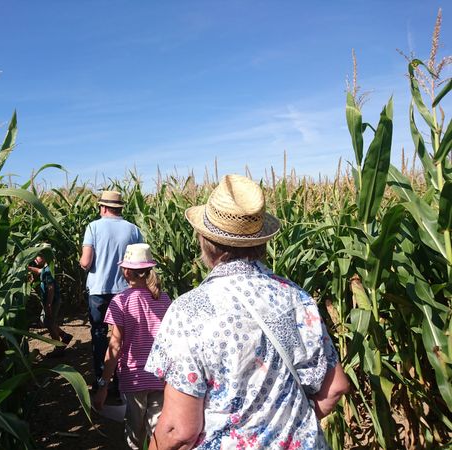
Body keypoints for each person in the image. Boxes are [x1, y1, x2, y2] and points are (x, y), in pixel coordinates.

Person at [145, 174, 350, 450]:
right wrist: (288, 431)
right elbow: (335, 387)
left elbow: (178, 430)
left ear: (205, 241)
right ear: (261, 241)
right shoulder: (297, 298)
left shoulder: (188, 311)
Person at [94, 243, 172, 450]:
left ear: (126, 271)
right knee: (158, 431)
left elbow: (115, 345)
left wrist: (103, 386)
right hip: (160, 375)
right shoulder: (164, 299)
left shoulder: (120, 302)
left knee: (135, 435)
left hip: (133, 377)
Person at [80, 190, 144, 388]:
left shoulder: (93, 227)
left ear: (104, 207)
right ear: (119, 208)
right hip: (125, 291)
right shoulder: (133, 230)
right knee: (122, 335)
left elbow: (86, 262)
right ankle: (122, 381)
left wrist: (82, 262)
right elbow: (141, 261)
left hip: (99, 290)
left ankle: (101, 380)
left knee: (99, 334)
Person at [28, 249, 73, 354]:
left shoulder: (48, 271)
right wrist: (29, 268)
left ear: (44, 257)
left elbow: (50, 288)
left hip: (52, 301)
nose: (35, 259)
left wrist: (48, 304)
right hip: (51, 301)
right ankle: (64, 336)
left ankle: (58, 348)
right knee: (47, 321)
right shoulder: (46, 269)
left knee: (49, 323)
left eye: (37, 256)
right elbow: (39, 271)